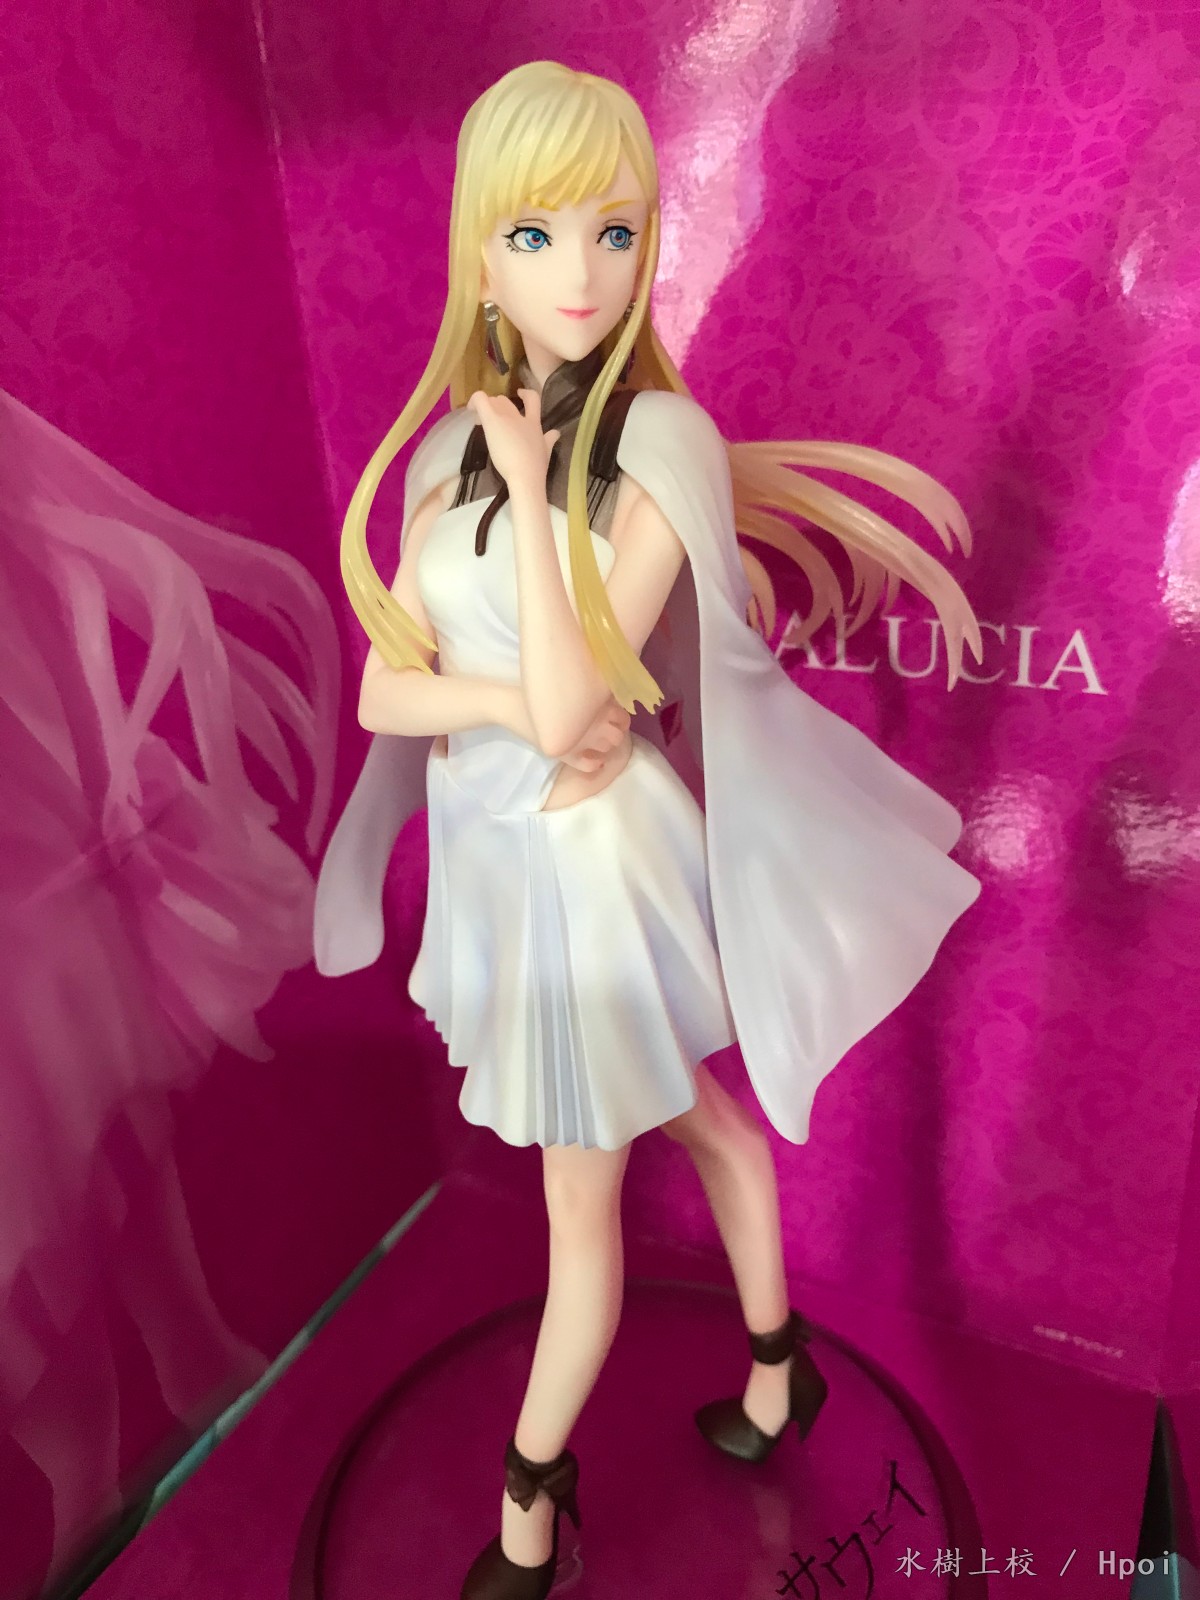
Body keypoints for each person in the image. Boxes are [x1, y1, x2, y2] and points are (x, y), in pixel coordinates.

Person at [314, 60, 983, 1598]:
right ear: (482, 253)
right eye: (537, 233)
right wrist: (501, 692)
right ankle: (780, 1368)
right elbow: (386, 694)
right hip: (505, 866)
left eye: (616, 231)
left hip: (595, 875)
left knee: (579, 1207)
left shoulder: (656, 446)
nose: (582, 271)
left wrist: (536, 523)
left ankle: (526, 1513)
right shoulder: (448, 453)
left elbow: (576, 708)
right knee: (699, 1122)